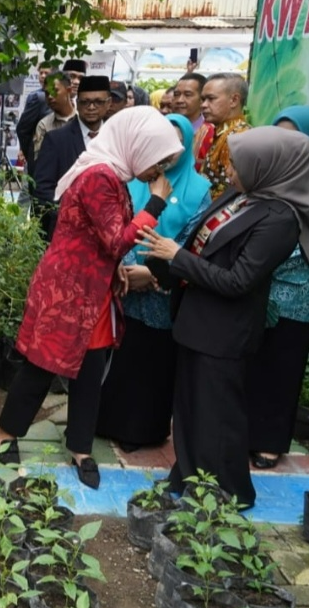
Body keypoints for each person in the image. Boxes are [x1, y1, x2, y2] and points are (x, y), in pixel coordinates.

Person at [0, 107, 182, 490]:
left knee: (91, 369)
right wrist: (155, 203)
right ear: (137, 146)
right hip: (67, 291)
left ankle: (80, 445)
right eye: (157, 161)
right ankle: (6, 432)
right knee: (43, 366)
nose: (157, 173)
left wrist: (111, 271)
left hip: (92, 290)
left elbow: (98, 240)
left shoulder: (113, 174)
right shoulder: (99, 176)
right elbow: (115, 238)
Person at [140, 127, 309, 508]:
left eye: (238, 165)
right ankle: (188, 478)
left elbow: (239, 280)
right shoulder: (242, 195)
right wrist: (168, 266)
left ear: (267, 167)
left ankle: (228, 491)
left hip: (225, 331)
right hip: (197, 318)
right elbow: (202, 242)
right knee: (189, 409)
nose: (230, 173)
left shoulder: (280, 219)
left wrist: (178, 258)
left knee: (218, 416)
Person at [96, 114, 212, 451]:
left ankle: (142, 430)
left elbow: (195, 240)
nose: (165, 153)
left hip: (164, 290)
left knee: (154, 361)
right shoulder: (130, 178)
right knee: (119, 355)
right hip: (123, 281)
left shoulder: (199, 189)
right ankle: (107, 421)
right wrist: (127, 266)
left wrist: (154, 272)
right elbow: (114, 229)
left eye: (174, 144)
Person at [247, 106, 309, 468]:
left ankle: (269, 442)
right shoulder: (270, 178)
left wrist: (257, 252)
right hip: (255, 290)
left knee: (282, 367)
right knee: (251, 362)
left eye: (295, 137)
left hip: (296, 297)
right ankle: (242, 430)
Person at [32, 75, 111, 241]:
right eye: (85, 102)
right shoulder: (56, 139)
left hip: (107, 236)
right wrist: (70, 215)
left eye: (98, 102)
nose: (91, 107)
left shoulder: (117, 139)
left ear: (108, 103)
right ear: (77, 101)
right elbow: (42, 190)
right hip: (67, 236)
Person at [199, 73, 252, 198]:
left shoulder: (238, 137)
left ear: (234, 100)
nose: (203, 105)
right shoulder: (223, 132)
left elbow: (230, 190)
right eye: (203, 99)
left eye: (211, 99)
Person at [16, 61, 58, 167]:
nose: (43, 76)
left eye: (46, 73)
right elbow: (24, 128)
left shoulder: (61, 97)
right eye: (41, 73)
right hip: (38, 154)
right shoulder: (36, 97)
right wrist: (26, 151)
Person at [172, 73, 214, 172]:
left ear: (201, 99)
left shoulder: (211, 132)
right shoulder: (166, 127)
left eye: (188, 95)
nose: (179, 100)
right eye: (176, 95)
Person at [31, 73, 74, 165]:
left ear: (69, 90)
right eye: (47, 93)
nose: (50, 97)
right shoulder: (44, 125)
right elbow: (41, 162)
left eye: (54, 91)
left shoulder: (84, 119)